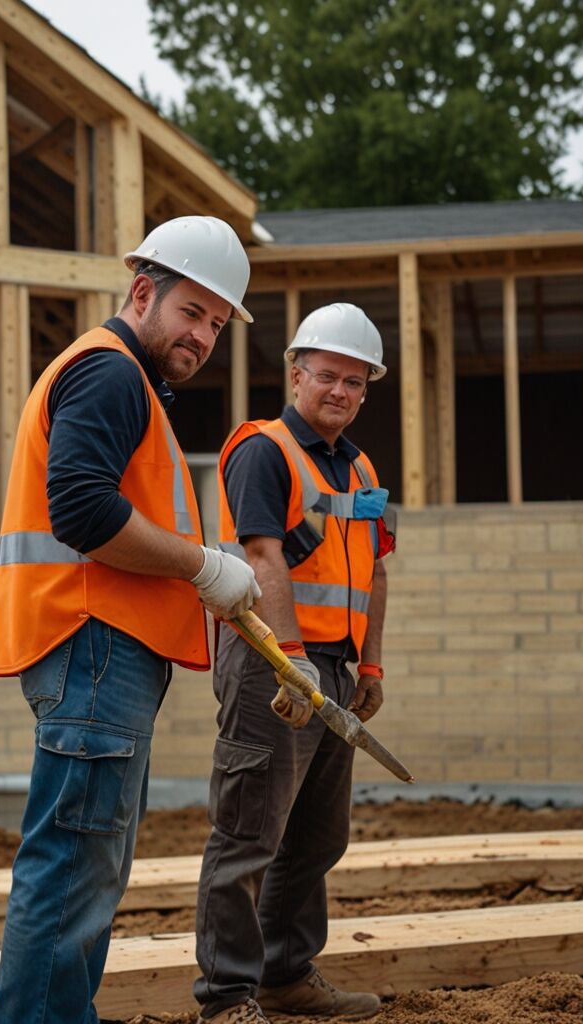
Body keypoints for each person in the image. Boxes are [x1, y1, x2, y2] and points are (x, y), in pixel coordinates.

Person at [0, 215, 261, 1024]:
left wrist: (197, 569)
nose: (204, 335)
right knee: (74, 870)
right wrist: (201, 564)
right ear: (143, 291)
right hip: (93, 646)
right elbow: (80, 509)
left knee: (87, 870)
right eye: (193, 312)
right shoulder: (109, 373)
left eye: (217, 323)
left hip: (98, 649)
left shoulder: (120, 380)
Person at [194, 303, 396, 1023]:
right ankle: (226, 999)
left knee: (316, 836)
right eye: (327, 376)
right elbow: (261, 554)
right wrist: (294, 663)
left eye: (355, 381)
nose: (340, 390)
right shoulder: (264, 449)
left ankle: (285, 977)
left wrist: (368, 667)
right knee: (250, 834)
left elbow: (375, 571)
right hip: (273, 667)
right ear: (297, 373)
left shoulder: (363, 467)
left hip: (336, 669)